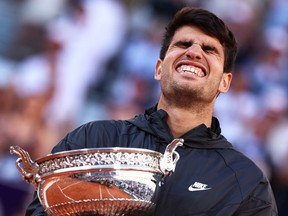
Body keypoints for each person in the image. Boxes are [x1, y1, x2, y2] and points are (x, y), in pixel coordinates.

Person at [25, 7, 278, 216]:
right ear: (158, 69)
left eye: (209, 49)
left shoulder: (245, 182)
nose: (194, 52)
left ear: (225, 82)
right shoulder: (92, 139)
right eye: (183, 44)